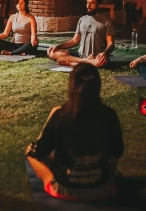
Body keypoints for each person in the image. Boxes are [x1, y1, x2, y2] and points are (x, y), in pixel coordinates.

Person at [26, 63, 124, 200]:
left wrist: (52, 115)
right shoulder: (108, 114)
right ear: (98, 86)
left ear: (71, 86)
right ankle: (106, 182)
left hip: (66, 188)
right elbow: (117, 151)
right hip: (101, 186)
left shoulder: (60, 115)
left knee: (30, 152)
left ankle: (56, 181)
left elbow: (40, 151)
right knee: (113, 157)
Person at [46, 0, 115, 68]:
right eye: (87, 3)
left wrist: (104, 53)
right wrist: (57, 46)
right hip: (80, 55)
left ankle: (71, 63)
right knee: (52, 53)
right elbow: (75, 40)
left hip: (97, 57)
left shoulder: (107, 21)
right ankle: (86, 61)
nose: (88, 6)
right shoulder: (82, 19)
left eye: (92, 3)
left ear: (99, 5)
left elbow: (111, 43)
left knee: (100, 62)